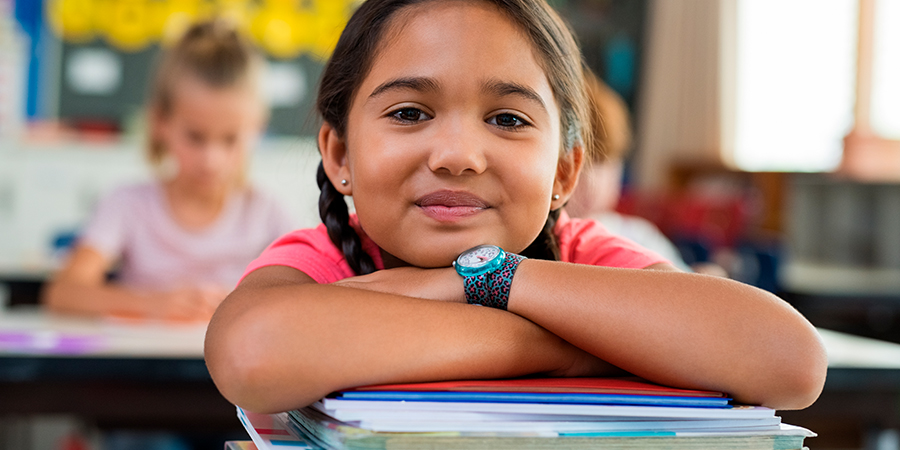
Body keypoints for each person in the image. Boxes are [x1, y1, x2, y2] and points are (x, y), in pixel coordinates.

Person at [205, 0, 826, 414]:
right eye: (409, 113)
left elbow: (790, 363)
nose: (457, 156)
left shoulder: (583, 254)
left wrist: (498, 278)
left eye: (507, 119)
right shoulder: (322, 257)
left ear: (563, 171)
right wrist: (565, 345)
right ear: (340, 153)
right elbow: (251, 352)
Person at [43, 20, 293, 322]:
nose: (211, 160)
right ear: (161, 122)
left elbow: (311, 296)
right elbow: (63, 293)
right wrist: (152, 304)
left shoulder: (266, 213)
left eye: (230, 139)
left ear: (257, 129)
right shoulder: (128, 204)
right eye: (195, 137)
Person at [567, 69, 727, 276]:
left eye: (603, 163)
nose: (592, 182)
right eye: (581, 165)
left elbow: (686, 281)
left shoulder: (636, 234)